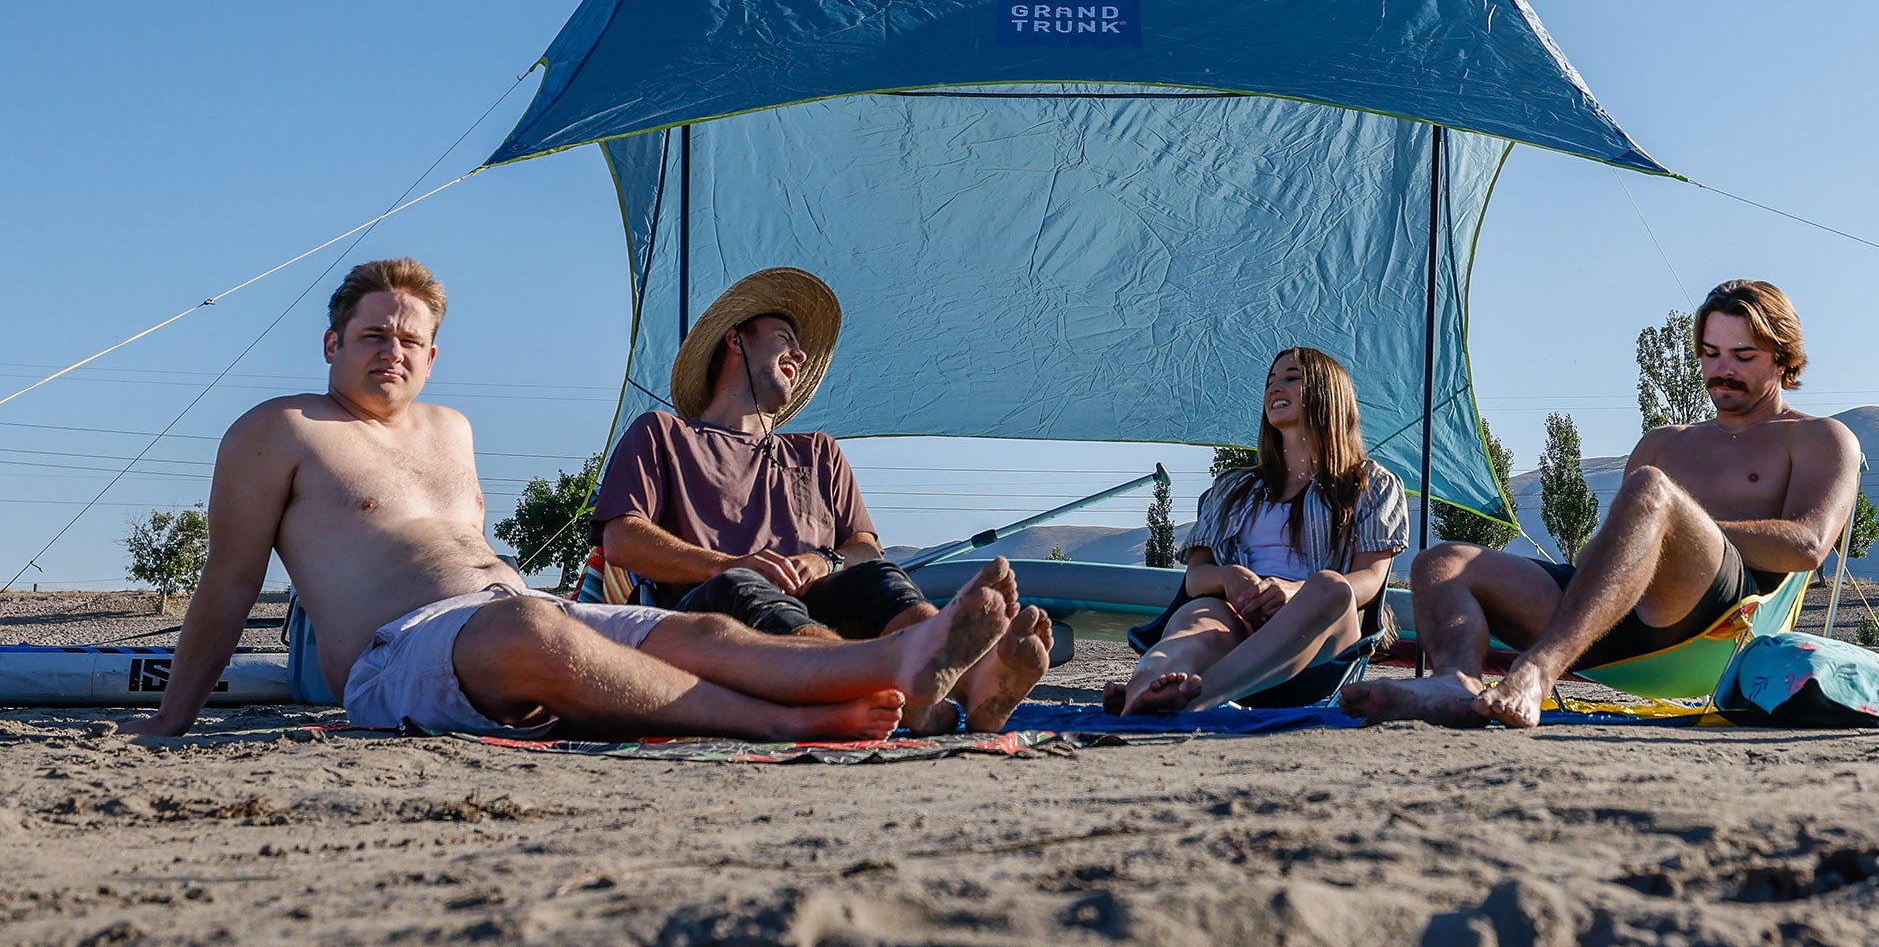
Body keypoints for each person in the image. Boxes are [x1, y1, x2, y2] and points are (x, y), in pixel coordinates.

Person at [127, 257, 1047, 741]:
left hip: (515, 608)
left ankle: (909, 661)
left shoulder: (451, 430)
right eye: (373, 334)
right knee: (546, 635)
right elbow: (229, 581)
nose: (392, 352)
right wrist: (172, 721)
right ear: (331, 343)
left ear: (434, 355)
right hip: (394, 651)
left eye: (412, 340)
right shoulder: (281, 428)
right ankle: (784, 712)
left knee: (703, 635)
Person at [1345, 278, 1860, 730]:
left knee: (1651, 493)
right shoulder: (1664, 440)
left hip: (1714, 627)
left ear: (1784, 357)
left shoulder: (1818, 437)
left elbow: (1810, 545)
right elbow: (1612, 549)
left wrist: (1670, 528)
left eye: (1743, 357)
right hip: (1612, 623)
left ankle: (1535, 674)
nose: (1721, 370)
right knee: (1443, 561)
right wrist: (1634, 538)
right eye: (1710, 353)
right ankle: (1454, 685)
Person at [592, 267, 1047, 732]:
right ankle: (890, 681)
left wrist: (825, 561)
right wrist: (728, 565)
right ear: (736, 341)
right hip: (712, 626)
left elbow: (864, 549)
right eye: (785, 336)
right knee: (742, 588)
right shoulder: (663, 435)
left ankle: (973, 683)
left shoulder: (819, 452)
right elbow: (624, 540)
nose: (800, 352)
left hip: (820, 606)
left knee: (877, 579)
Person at [1104, 346, 1407, 715]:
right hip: (1236, 618)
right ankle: (1143, 688)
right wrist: (1229, 578)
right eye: (1271, 381)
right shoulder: (1233, 487)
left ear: (1330, 393)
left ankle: (1198, 697)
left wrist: (1296, 590)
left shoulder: (1371, 483)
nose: (1275, 388)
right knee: (1199, 616)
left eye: (1292, 378)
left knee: (1331, 587)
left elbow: (1370, 580)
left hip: (1319, 638)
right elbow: (1196, 578)